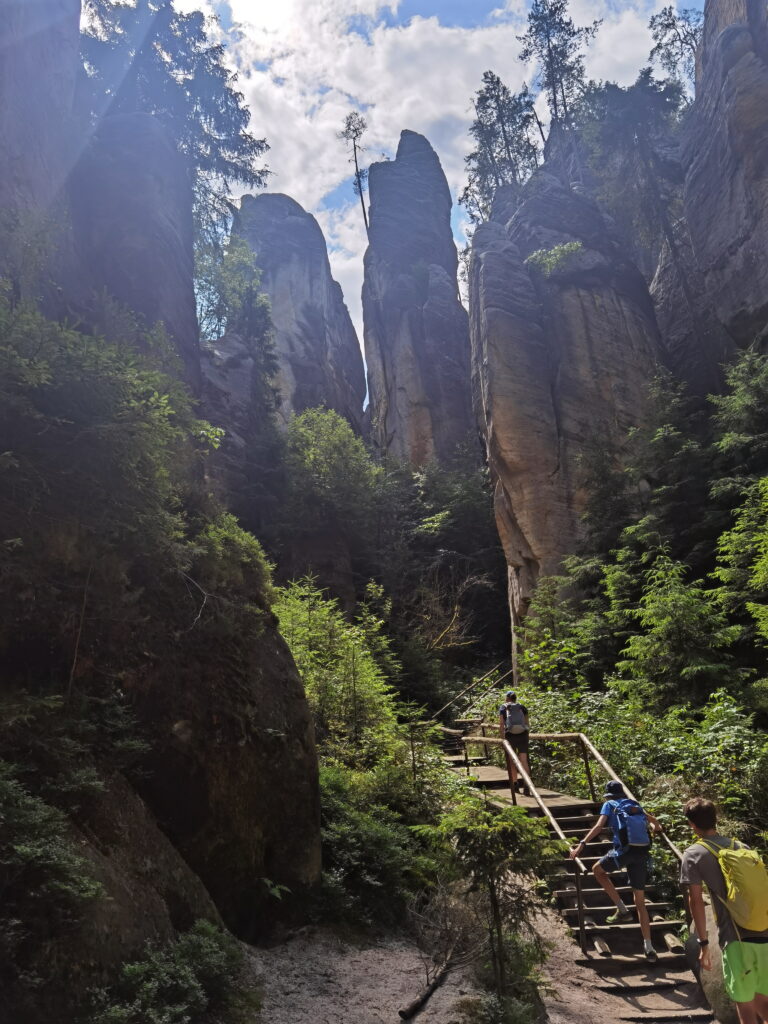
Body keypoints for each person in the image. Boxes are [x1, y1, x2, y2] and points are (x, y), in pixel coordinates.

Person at [680, 797, 768, 1024]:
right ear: (715, 819)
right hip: (764, 931)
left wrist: (703, 944)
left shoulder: (694, 853)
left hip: (736, 938)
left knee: (745, 1003)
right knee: (762, 999)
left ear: (692, 824)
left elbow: (696, 902)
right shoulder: (742, 847)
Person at [569, 780, 663, 961]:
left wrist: (581, 844)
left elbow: (598, 826)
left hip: (623, 852)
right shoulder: (634, 805)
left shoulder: (609, 804)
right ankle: (649, 946)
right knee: (641, 903)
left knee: (598, 870)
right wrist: (656, 829)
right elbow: (656, 824)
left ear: (608, 795)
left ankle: (621, 909)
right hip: (642, 853)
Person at [498, 691, 531, 795]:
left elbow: (502, 724)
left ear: (507, 698)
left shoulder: (503, 707)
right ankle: (527, 785)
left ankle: (515, 785)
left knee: (512, 761)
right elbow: (527, 723)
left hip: (510, 735)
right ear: (515, 698)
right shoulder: (522, 707)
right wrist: (526, 736)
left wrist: (503, 739)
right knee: (524, 761)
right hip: (523, 735)